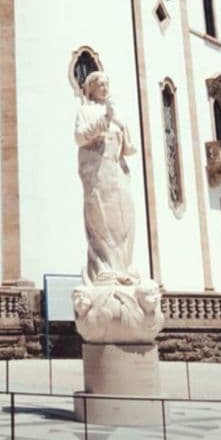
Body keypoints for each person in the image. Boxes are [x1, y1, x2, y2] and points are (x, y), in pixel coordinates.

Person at [74, 71, 137, 285]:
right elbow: (80, 137)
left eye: (106, 83)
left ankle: (124, 266)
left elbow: (128, 149)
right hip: (98, 175)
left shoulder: (115, 114)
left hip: (116, 172)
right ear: (90, 88)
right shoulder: (85, 111)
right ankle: (104, 267)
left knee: (124, 216)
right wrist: (104, 120)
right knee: (100, 219)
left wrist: (118, 123)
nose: (104, 87)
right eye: (99, 84)